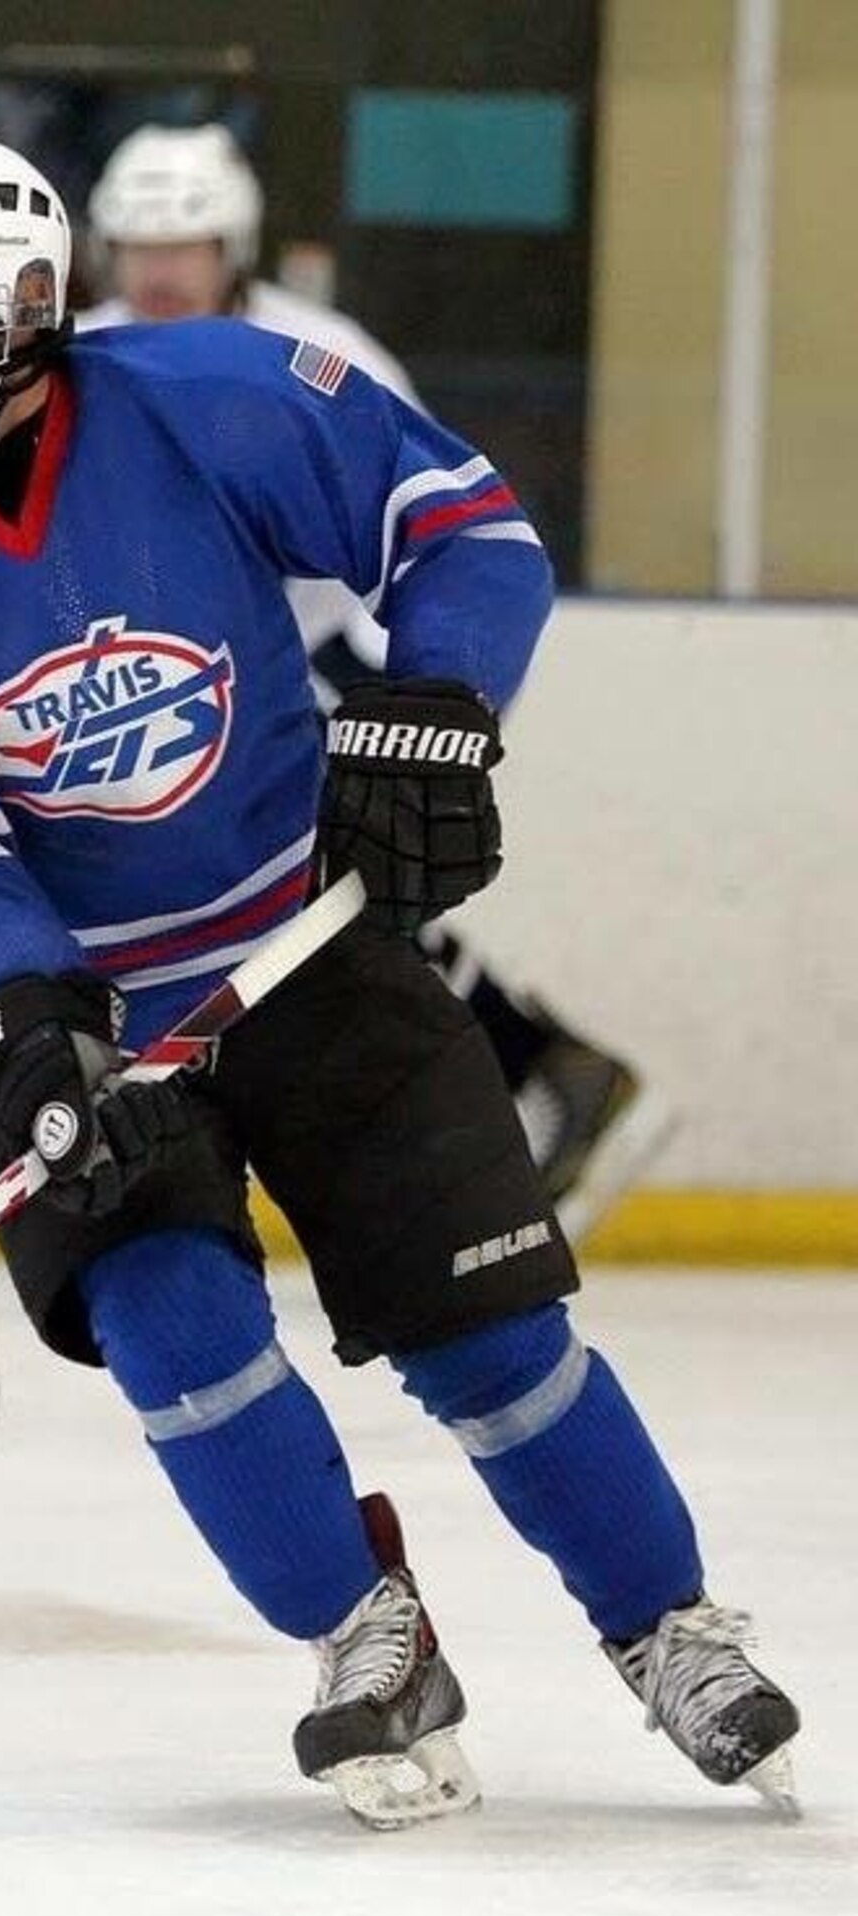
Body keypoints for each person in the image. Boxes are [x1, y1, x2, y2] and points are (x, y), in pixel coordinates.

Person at [0, 137, 799, 1825]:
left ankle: (667, 1626)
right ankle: (361, 1634)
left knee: (493, 1335)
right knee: (179, 1332)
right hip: (81, 1022)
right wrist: (21, 1010)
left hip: (303, 947)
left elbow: (463, 531)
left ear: (23, 311)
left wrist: (432, 711)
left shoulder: (214, 395)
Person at [77, 123, 673, 1247]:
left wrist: (407, 702)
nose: (159, 270)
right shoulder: (81, 358)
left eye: (186, 244)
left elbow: (437, 534)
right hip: (152, 688)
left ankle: (517, 1081)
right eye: (136, 245)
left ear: (232, 246)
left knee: (338, 892)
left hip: (313, 678)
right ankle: (542, 1064)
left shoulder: (317, 351)